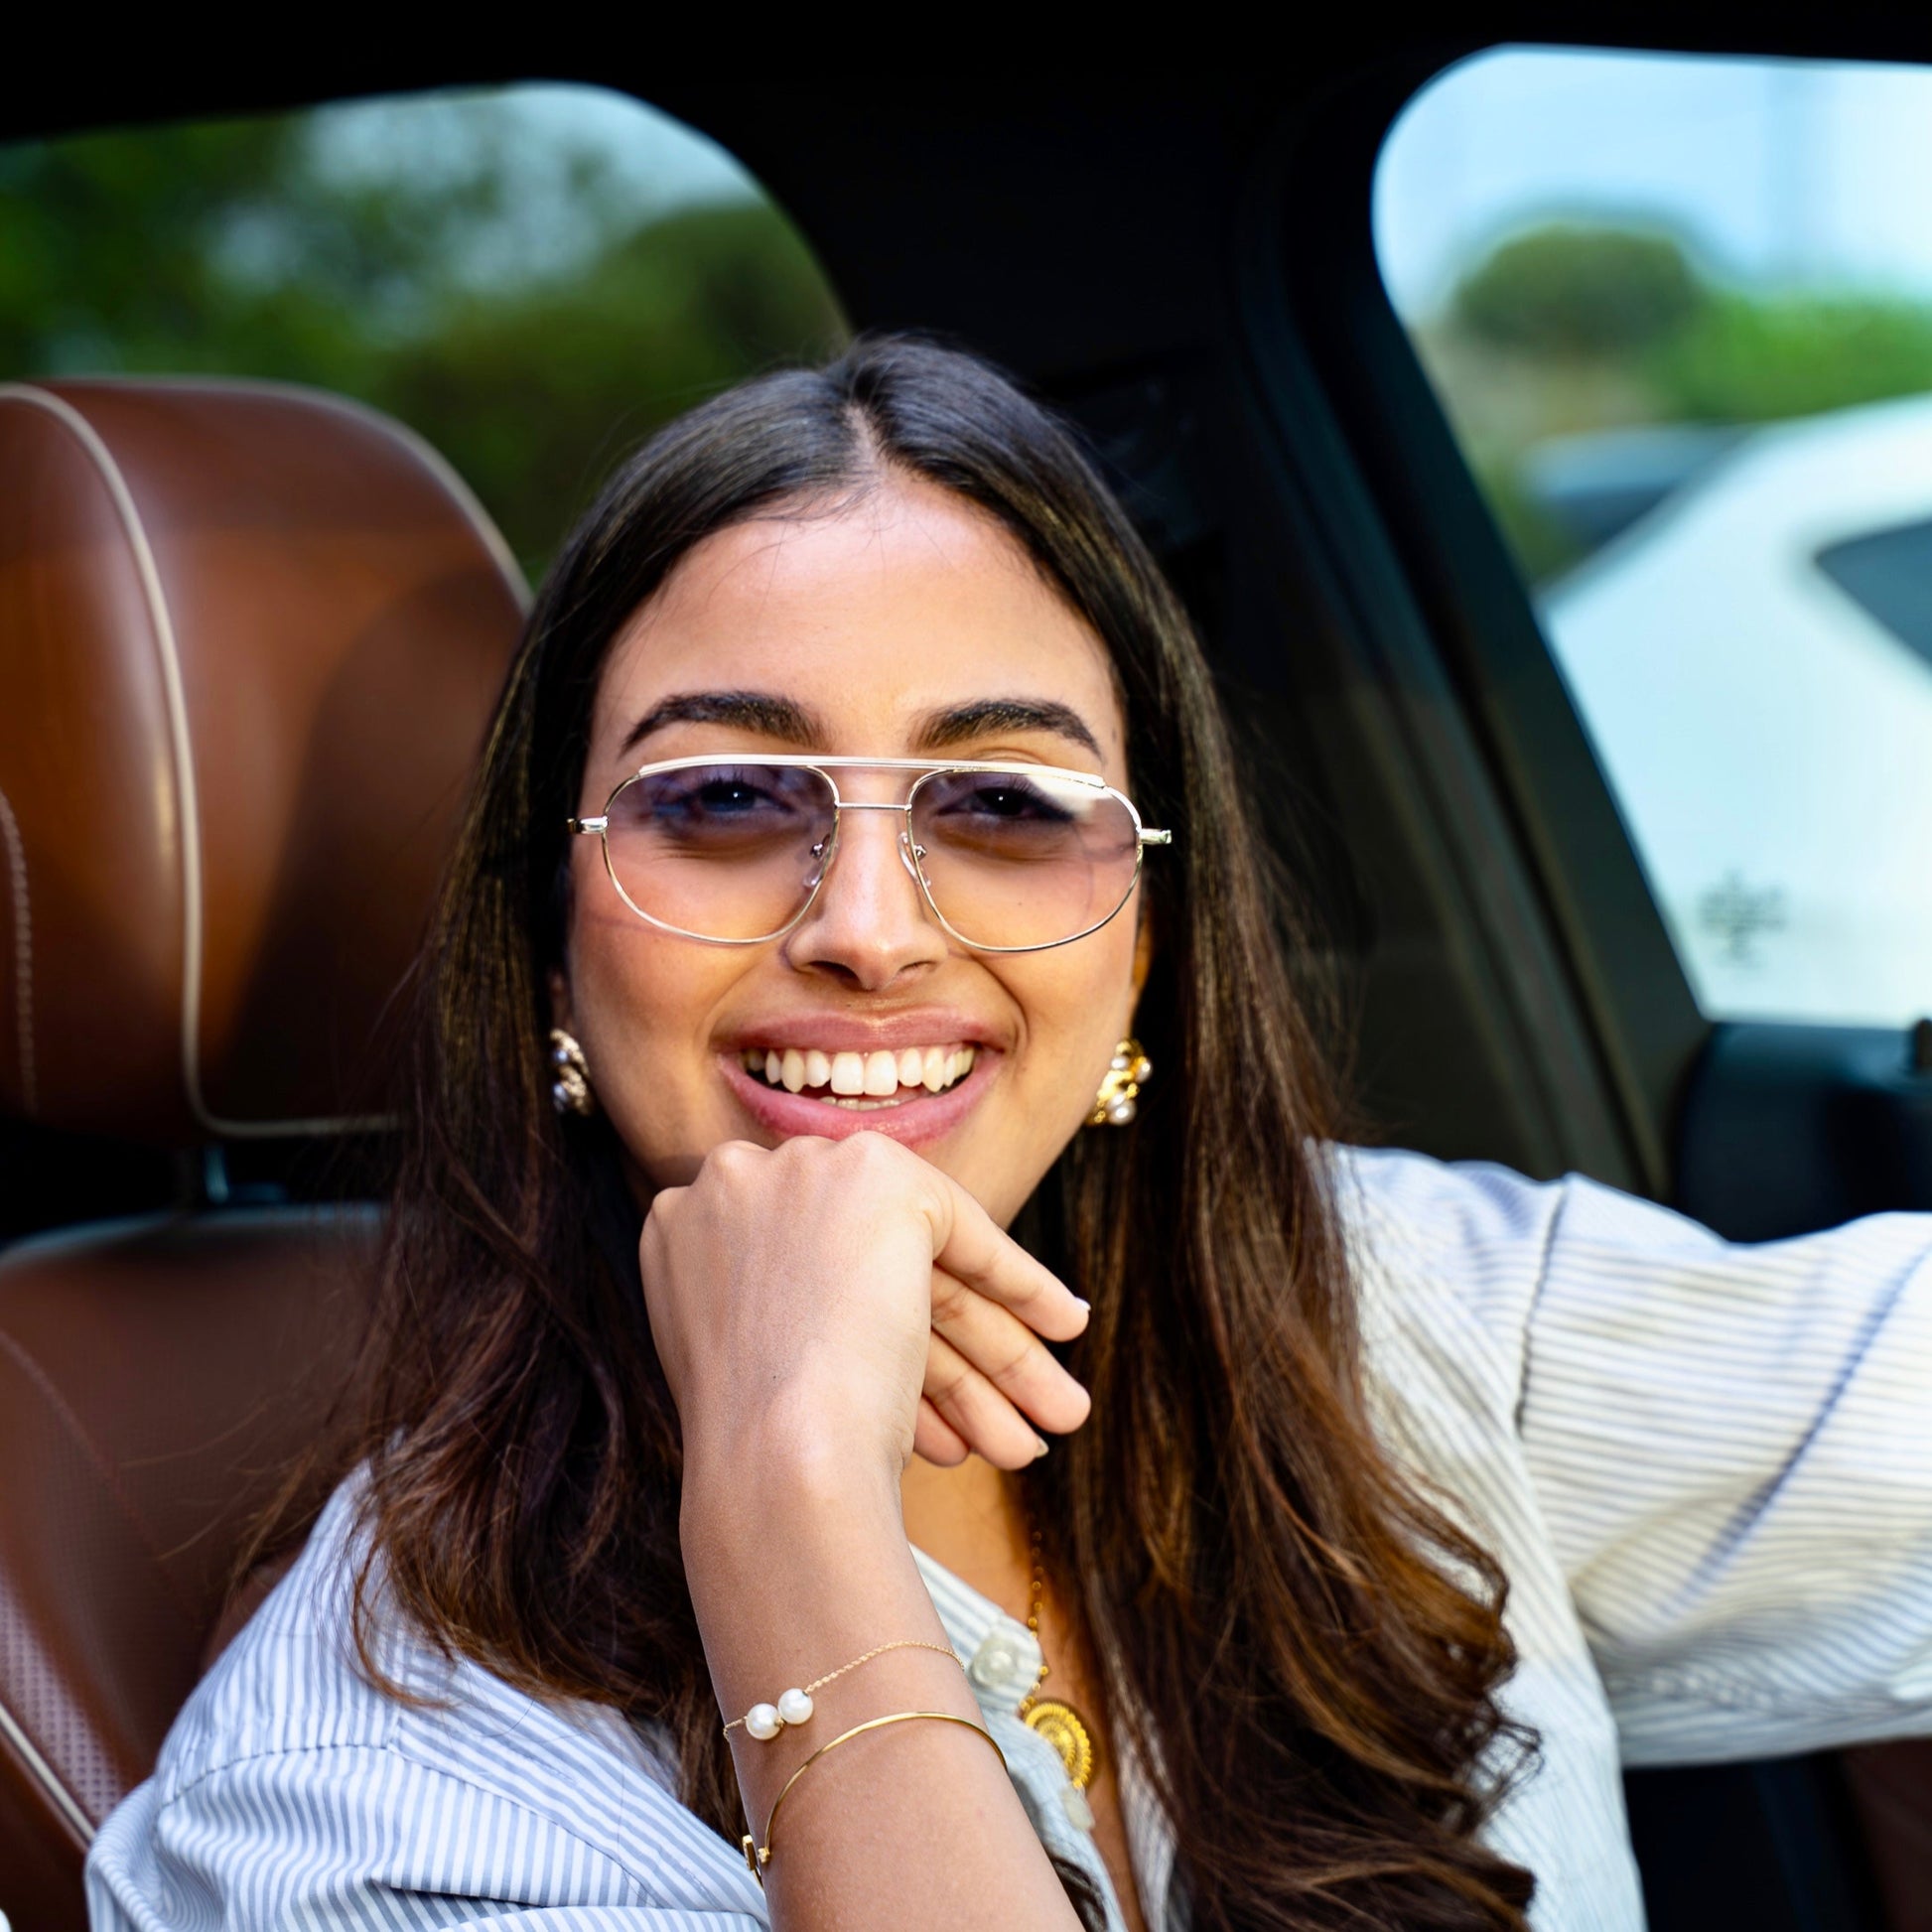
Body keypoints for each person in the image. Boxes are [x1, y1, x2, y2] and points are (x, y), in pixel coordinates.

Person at [86, 340, 1932, 1932]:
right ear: (551, 950)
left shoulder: (1407, 1318)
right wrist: (790, 1494)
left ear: (1146, 948)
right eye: (722, 798)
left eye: (1001, 799)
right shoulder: (356, 1807)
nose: (871, 925)